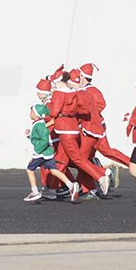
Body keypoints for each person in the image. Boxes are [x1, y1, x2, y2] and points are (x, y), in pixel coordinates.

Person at [48, 66, 110, 197]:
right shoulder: (74, 93)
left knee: (77, 159)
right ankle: (55, 188)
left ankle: (101, 174)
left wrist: (57, 105)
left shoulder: (59, 94)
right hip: (73, 128)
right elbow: (83, 110)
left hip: (64, 130)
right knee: (60, 159)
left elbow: (53, 112)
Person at [77, 64, 130, 195]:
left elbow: (101, 104)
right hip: (95, 127)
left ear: (83, 76)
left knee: (82, 159)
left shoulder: (91, 91)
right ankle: (86, 185)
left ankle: (96, 180)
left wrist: (89, 114)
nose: (78, 77)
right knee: (99, 154)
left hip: (93, 128)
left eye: (80, 75)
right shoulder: (88, 90)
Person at [25, 103, 79, 202]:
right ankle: (71, 185)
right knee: (54, 171)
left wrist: (35, 153)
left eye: (32, 111)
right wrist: (30, 135)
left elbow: (44, 140)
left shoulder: (39, 125)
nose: (30, 113)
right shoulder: (39, 124)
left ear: (37, 114)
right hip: (47, 152)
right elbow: (39, 137)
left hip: (42, 153)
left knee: (29, 169)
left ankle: (35, 192)